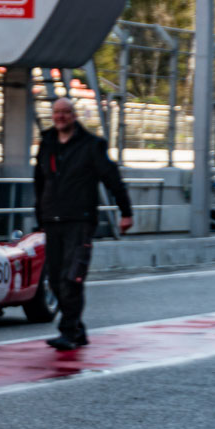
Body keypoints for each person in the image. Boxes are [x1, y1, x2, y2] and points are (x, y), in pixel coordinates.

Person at [33, 97, 133, 351]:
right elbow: (39, 182)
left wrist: (126, 212)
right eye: (57, 113)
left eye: (66, 112)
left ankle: (69, 332)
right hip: (52, 220)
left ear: (74, 115)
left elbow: (112, 178)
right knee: (54, 280)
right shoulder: (47, 143)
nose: (60, 117)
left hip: (80, 220)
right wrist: (39, 217)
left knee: (71, 278)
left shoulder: (92, 145)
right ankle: (77, 329)